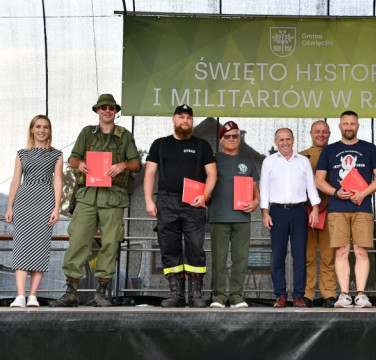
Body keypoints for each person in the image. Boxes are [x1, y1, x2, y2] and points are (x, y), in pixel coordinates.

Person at [50, 94, 141, 307]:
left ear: (116, 112)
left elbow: (136, 164)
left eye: (111, 108)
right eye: (103, 108)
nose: (107, 111)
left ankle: (101, 293)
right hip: (88, 197)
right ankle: (71, 292)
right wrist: (79, 164)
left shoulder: (124, 136)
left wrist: (123, 166)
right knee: (78, 242)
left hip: (113, 198)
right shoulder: (87, 133)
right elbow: (73, 158)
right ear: (97, 111)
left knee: (109, 244)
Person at [144, 104, 217, 308]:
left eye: (189, 118)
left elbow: (212, 174)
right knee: (169, 247)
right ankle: (176, 294)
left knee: (195, 247)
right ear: (173, 119)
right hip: (166, 202)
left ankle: (195, 294)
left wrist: (205, 195)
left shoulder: (202, 145)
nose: (185, 121)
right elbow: (149, 173)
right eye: (181, 117)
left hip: (194, 203)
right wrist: (149, 200)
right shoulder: (159, 144)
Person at [315, 110, 376, 308]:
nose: (348, 127)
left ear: (357, 126)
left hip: (362, 207)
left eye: (352, 124)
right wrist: (336, 193)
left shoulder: (369, 148)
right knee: (341, 251)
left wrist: (363, 193)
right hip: (337, 208)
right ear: (339, 126)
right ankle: (344, 294)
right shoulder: (329, 151)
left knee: (361, 251)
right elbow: (319, 180)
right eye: (345, 124)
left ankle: (361, 294)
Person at [5, 115, 63, 307]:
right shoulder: (22, 153)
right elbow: (15, 180)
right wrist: (10, 206)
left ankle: (32, 296)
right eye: (38, 126)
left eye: (45, 127)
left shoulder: (56, 154)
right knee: (21, 246)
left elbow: (58, 181)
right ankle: (20, 295)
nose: (41, 130)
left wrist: (56, 207)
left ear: (49, 131)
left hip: (45, 201)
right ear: (31, 129)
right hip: (24, 201)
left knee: (40, 247)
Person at [260, 128, 321, 308]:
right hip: (277, 212)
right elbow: (264, 189)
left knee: (299, 255)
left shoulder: (303, 162)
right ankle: (280, 295)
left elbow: (311, 187)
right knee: (278, 255)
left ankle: (298, 296)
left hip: (299, 211)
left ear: (293, 139)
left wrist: (315, 209)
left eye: (288, 139)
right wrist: (264, 212)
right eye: (281, 140)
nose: (285, 142)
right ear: (275, 141)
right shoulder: (268, 162)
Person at [208, 121, 260, 309]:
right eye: (227, 136)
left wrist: (255, 202)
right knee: (219, 259)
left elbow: (255, 189)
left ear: (240, 138)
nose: (231, 139)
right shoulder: (212, 159)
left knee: (240, 259)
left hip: (242, 218)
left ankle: (237, 295)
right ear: (220, 139)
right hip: (219, 217)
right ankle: (219, 296)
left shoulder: (247, 161)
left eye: (235, 136)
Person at [300, 120, 337, 308]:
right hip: (306, 211)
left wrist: (326, 202)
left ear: (329, 133)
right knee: (307, 255)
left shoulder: (337, 154)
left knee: (328, 255)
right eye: (317, 131)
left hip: (330, 210)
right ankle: (306, 294)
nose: (321, 135)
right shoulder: (300, 157)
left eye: (324, 132)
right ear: (311, 133)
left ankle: (329, 293)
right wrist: (310, 203)